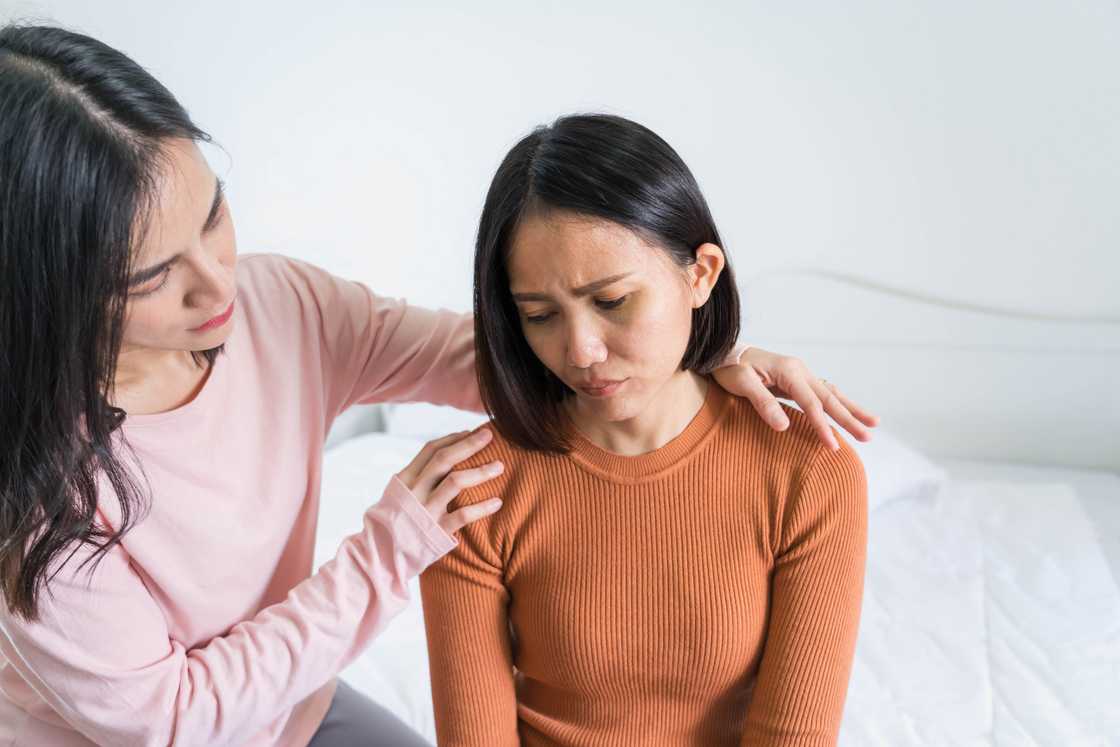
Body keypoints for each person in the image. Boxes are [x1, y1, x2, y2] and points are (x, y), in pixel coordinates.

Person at [0, 25, 876, 747]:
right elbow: (174, 719)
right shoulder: (32, 489)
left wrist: (696, 349)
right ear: (50, 283)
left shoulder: (278, 307)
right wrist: (391, 547)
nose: (217, 283)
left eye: (213, 215)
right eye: (153, 276)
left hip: (292, 712)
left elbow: (501, 356)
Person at [421, 113, 869, 746]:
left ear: (700, 275)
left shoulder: (808, 469)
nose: (580, 351)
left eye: (611, 303)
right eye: (540, 315)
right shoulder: (472, 491)